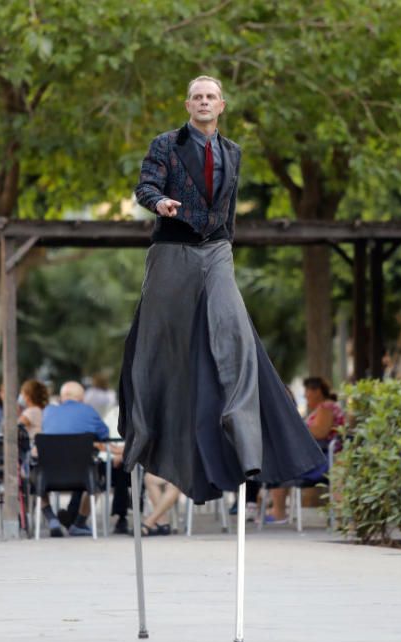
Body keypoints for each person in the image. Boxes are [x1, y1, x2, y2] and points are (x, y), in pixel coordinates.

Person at [120, 75, 324, 509]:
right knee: (159, 343)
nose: (203, 102)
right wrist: (159, 203)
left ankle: (244, 435)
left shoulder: (233, 151)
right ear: (188, 104)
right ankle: (145, 430)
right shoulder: (165, 144)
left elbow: (226, 207)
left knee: (235, 330)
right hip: (173, 250)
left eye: (210, 96)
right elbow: (146, 185)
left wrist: (226, 242)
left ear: (221, 105)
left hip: (216, 249)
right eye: (196, 96)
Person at [40, 381, 117, 537]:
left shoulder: (48, 412)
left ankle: (52, 519)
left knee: (34, 479)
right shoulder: (89, 411)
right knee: (96, 479)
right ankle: (79, 523)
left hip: (49, 475)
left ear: (62, 397)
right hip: (83, 475)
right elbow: (105, 435)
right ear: (81, 398)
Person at [265, 377, 344, 523]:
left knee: (279, 463)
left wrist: (297, 429)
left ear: (317, 391)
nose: (305, 395)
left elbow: (320, 432)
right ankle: (277, 510)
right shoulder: (323, 408)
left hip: (323, 458)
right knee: (279, 461)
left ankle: (278, 512)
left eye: (308, 391)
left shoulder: (326, 407)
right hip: (320, 455)